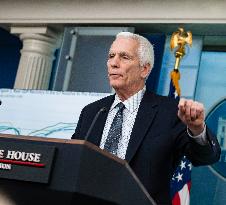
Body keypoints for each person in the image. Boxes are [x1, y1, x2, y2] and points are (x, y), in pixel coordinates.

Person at [72, 32, 221, 205]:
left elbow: (206, 157)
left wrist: (197, 130)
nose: (113, 63)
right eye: (111, 56)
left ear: (145, 69)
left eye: (124, 57)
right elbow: (74, 162)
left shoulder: (170, 112)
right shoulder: (92, 112)